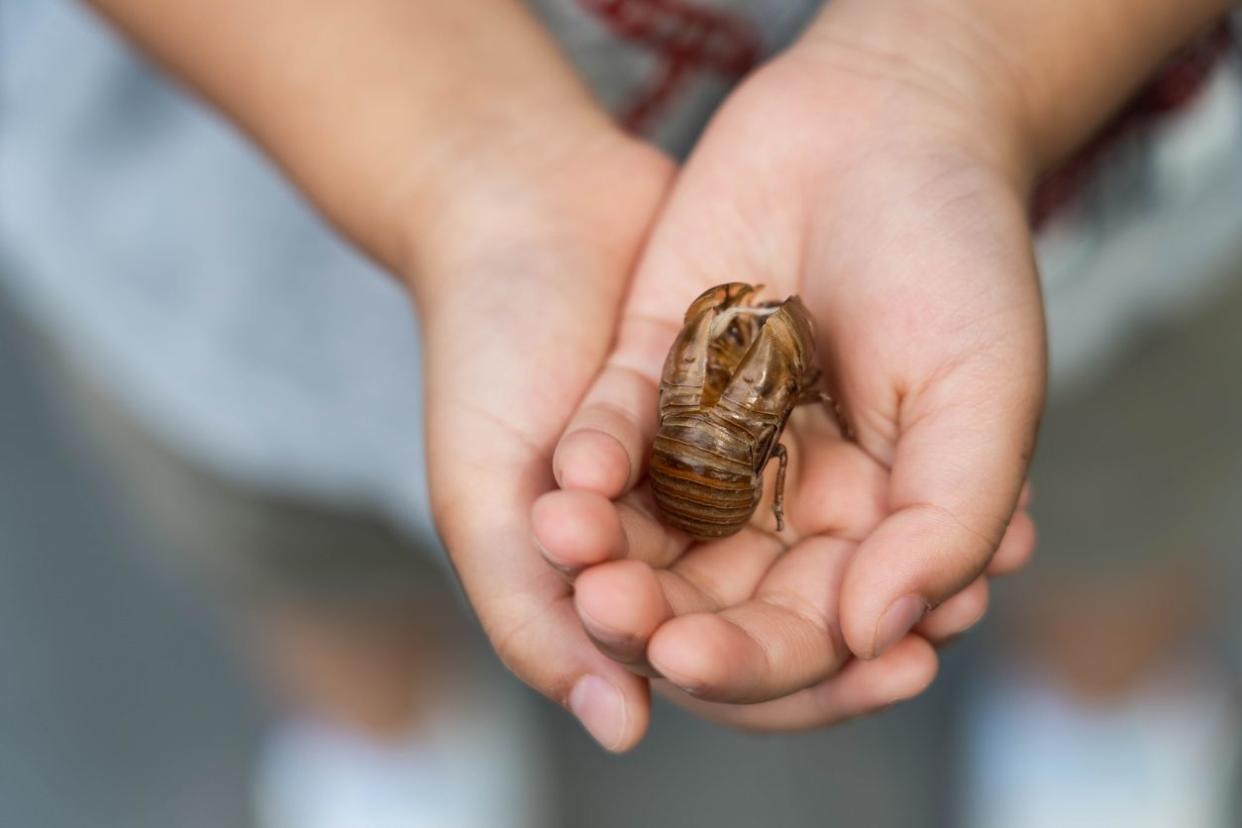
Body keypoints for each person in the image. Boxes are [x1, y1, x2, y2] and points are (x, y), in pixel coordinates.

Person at [1, 0, 1236, 811]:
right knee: (302, 563)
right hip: (238, 231)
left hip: (1110, 206)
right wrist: (458, 158)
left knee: (1122, 496)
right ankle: (384, 737)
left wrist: (965, 57)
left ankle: (1105, 706)